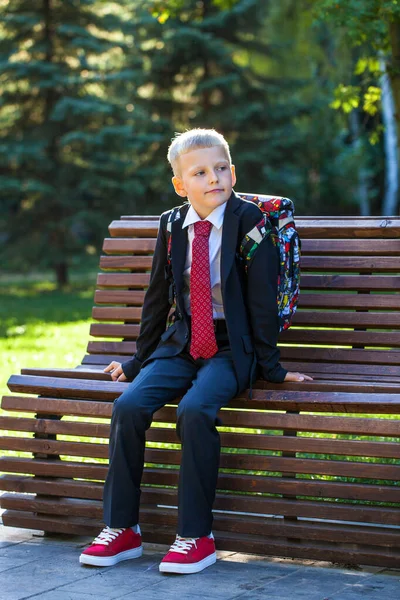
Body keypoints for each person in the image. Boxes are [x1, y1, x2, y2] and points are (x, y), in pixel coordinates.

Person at [79, 128, 313, 574]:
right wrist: (136, 361)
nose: (214, 178)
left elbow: (264, 302)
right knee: (128, 407)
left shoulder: (251, 223)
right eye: (201, 172)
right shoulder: (172, 226)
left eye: (222, 168)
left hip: (233, 348)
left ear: (233, 172)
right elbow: (157, 298)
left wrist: (273, 368)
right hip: (183, 343)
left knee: (194, 409)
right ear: (180, 184)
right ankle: (122, 529)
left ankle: (195, 536)